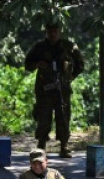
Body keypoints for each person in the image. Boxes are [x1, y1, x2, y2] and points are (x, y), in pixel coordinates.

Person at [24, 20, 85, 157]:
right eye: (50, 31)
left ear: (60, 31)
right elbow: (27, 64)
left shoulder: (69, 47)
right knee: (43, 116)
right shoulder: (39, 47)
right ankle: (41, 145)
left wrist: (69, 77)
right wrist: (38, 64)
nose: (53, 34)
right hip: (44, 88)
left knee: (63, 116)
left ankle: (64, 146)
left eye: (55, 31)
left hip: (62, 89)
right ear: (46, 32)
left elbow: (80, 65)